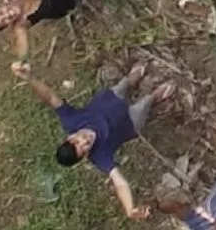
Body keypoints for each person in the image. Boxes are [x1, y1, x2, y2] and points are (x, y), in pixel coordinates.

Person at [15, 62, 170, 219]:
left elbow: (50, 97)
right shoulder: (100, 157)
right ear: (84, 157)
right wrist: (129, 210)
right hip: (130, 122)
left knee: (123, 85)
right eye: (83, 150)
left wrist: (30, 78)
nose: (84, 142)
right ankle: (155, 97)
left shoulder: (70, 120)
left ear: (69, 137)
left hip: (109, 98)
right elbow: (120, 183)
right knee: (145, 104)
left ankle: (132, 79)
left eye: (76, 141)